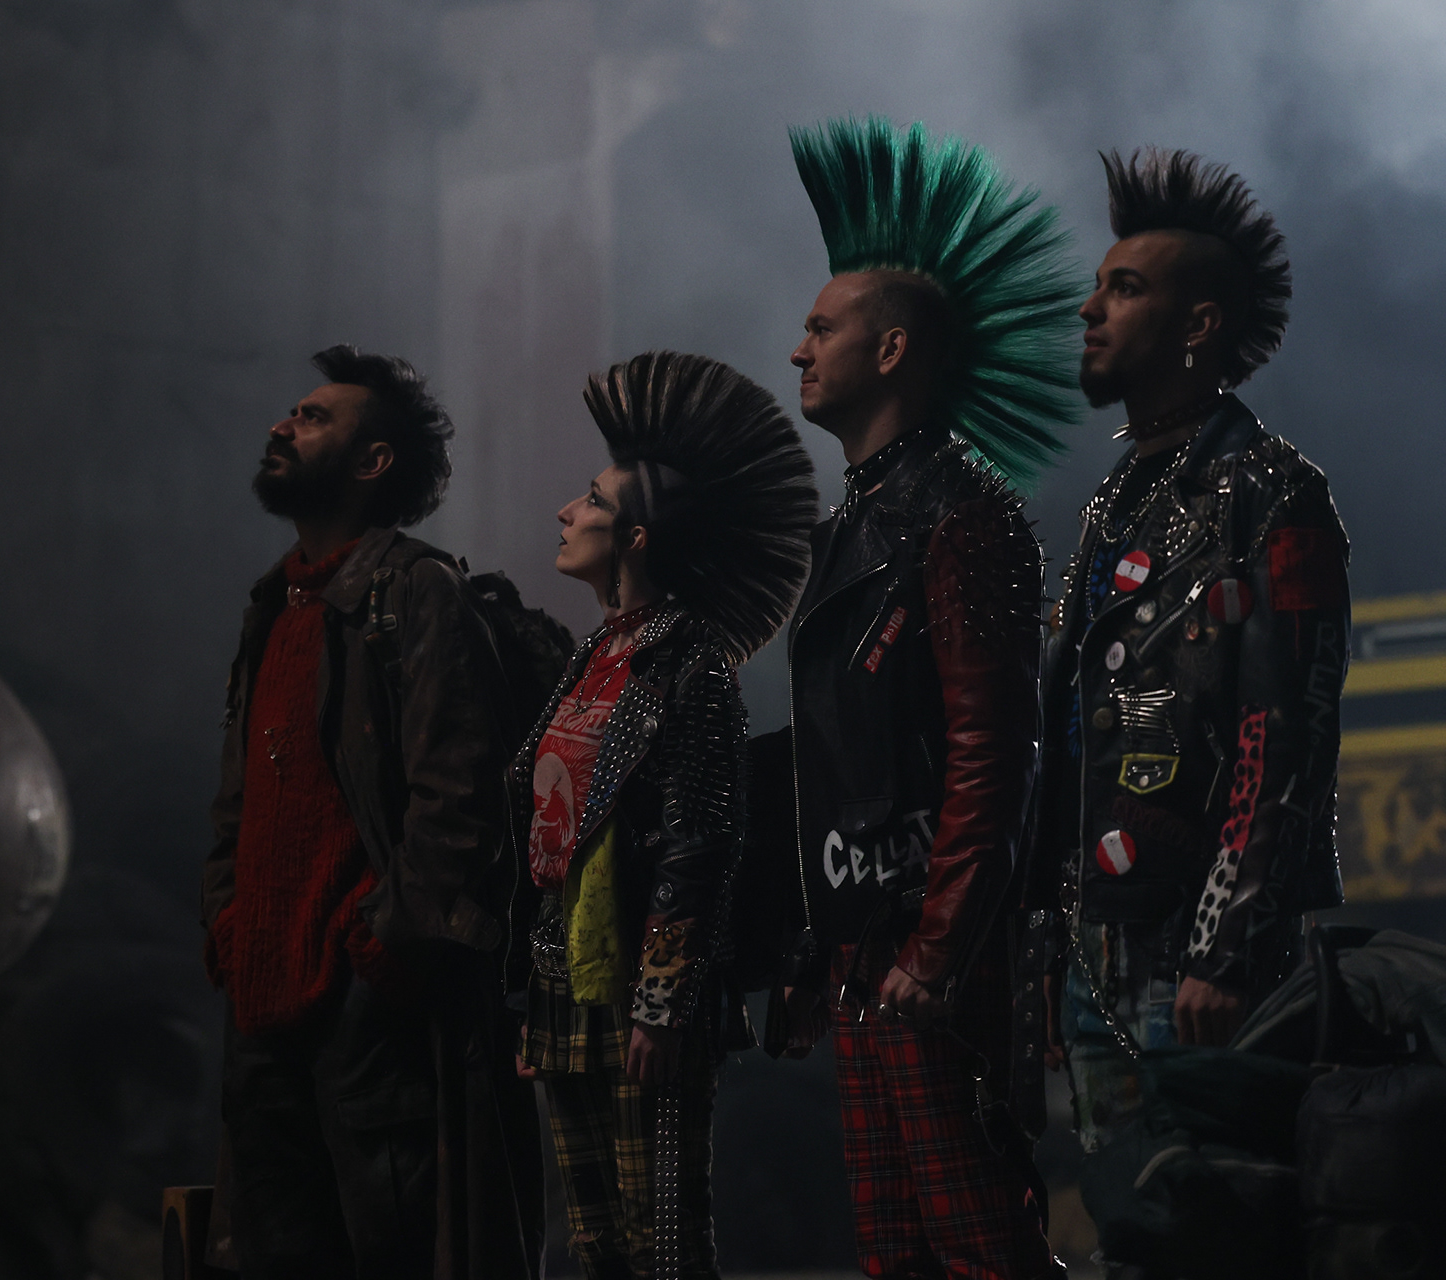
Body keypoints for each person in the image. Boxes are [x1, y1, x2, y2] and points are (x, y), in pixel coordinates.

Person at [767, 117, 1080, 1279]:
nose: (797, 350)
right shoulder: (850, 531)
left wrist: (940, 950)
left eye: (822, 329)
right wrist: (819, 947)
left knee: (979, 1242)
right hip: (871, 945)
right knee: (898, 1251)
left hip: (934, 950)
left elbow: (997, 755)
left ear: (892, 349)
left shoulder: (964, 517)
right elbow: (837, 762)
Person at [1037, 150, 1349, 1259]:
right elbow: (1070, 742)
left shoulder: (1276, 493)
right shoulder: (1115, 503)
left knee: (1224, 1239)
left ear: (1199, 324)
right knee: (1130, 1235)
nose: (1090, 308)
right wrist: (1054, 944)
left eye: (1124, 288)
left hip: (1204, 960)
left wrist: (1225, 947)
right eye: (1098, 285)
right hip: (1101, 952)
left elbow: (1286, 736)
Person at [201, 345, 542, 1280]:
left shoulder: (415, 592)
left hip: (366, 1008)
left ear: (373, 461)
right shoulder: (274, 603)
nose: (282, 425)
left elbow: (460, 797)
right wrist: (229, 926)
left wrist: (382, 951)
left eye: (313, 418)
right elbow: (236, 799)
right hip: (264, 1004)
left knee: (393, 1251)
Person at [510, 351, 816, 1279]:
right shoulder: (594, 656)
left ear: (637, 536)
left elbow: (703, 840)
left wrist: (662, 1004)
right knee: (595, 1241)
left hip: (640, 995)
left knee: (663, 1245)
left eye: (591, 501)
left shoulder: (692, 665)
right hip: (566, 983)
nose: (567, 512)